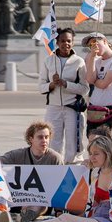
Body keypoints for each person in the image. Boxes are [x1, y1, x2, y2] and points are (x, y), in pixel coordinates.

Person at [0, 121, 65, 222]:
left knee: (39, 205)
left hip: (42, 201)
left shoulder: (55, 158)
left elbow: (61, 185)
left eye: (46, 137)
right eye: (40, 137)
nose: (44, 140)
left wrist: (59, 211)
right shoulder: (18, 155)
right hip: (19, 199)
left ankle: (24, 218)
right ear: (31, 139)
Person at [39, 27, 86, 162]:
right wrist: (51, 85)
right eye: (63, 41)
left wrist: (66, 84)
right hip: (53, 108)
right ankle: (54, 166)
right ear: (57, 42)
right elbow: (41, 87)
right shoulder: (48, 61)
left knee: (73, 142)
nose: (66, 44)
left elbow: (85, 88)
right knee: (53, 141)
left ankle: (73, 166)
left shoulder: (79, 62)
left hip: (72, 108)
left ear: (73, 42)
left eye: (69, 41)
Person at [82, 32, 112, 142]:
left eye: (95, 42)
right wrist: (92, 58)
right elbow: (89, 80)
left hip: (111, 106)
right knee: (92, 140)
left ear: (104, 41)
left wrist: (95, 80)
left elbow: (103, 84)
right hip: (94, 106)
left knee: (106, 143)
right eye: (90, 46)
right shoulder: (96, 61)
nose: (93, 47)